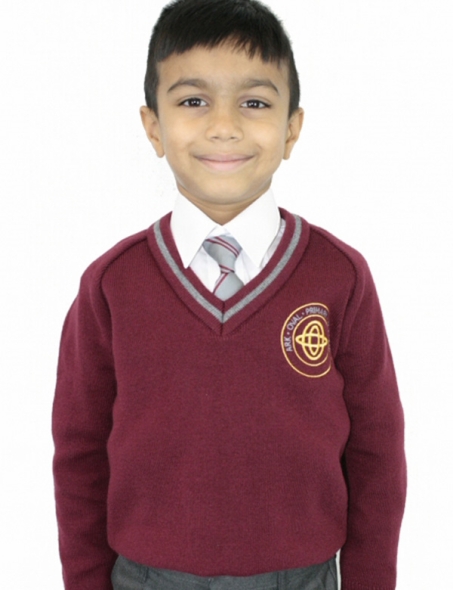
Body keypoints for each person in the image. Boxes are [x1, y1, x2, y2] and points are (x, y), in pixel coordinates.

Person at [52, 1, 406, 589]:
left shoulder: (339, 276)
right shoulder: (112, 283)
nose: (224, 126)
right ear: (153, 127)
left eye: (255, 103)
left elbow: (377, 453)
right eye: (193, 101)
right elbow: (79, 453)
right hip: (146, 579)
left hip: (302, 579)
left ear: (291, 129)